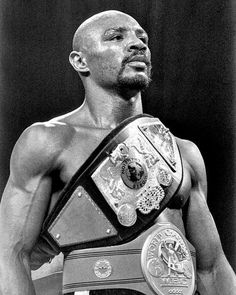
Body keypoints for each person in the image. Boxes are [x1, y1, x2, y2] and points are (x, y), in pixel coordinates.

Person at [0, 9, 235, 295]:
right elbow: (11, 255)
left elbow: (212, 267)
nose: (138, 44)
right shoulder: (49, 140)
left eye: (142, 37)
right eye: (116, 37)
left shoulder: (184, 153)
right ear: (80, 61)